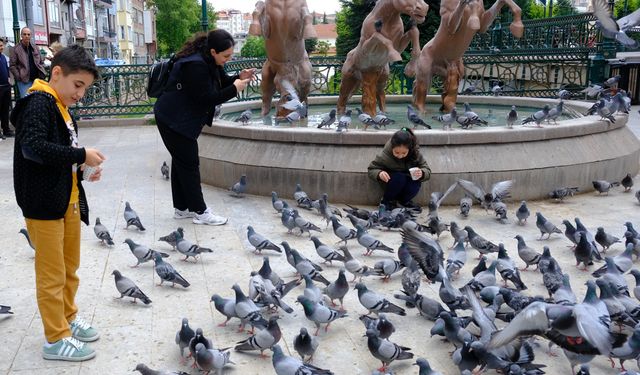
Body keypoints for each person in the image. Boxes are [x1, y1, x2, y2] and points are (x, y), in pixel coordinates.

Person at [12, 45, 105, 362]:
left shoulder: (59, 106)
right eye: (77, 85)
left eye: (85, 88)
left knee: (69, 268)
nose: (80, 94)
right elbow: (35, 147)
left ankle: (67, 317)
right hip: (44, 204)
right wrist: (80, 155)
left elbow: (57, 152)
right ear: (56, 73)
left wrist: (81, 170)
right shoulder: (38, 103)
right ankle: (55, 338)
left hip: (66, 199)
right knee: (52, 275)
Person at [154, 29, 254, 225]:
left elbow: (218, 83)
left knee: (182, 163)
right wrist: (235, 89)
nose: (228, 59)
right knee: (190, 165)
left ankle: (182, 209)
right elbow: (205, 99)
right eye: (226, 56)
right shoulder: (196, 65)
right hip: (173, 120)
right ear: (213, 51)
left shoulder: (208, 60)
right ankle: (201, 212)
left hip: (175, 117)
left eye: (230, 55)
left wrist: (237, 77)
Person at [367, 127, 431, 211]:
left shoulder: (416, 154)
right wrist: (379, 174)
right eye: (397, 152)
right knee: (399, 177)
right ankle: (386, 202)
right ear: (392, 147)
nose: (400, 156)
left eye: (404, 153)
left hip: (407, 183)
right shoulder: (384, 156)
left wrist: (422, 173)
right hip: (392, 183)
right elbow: (372, 169)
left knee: (415, 181)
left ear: (409, 149)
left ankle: (403, 202)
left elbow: (426, 169)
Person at [9, 27, 46, 98]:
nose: (27, 36)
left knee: (37, 101)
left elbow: (41, 62)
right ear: (21, 35)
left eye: (28, 34)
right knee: (26, 102)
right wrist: (19, 76)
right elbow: (12, 65)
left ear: (31, 35)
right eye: (24, 34)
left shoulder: (35, 48)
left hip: (37, 79)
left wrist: (42, 70)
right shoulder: (15, 49)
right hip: (24, 81)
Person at [0, 38, 11, 139]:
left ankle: (6, 129)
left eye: (2, 45)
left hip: (6, 86)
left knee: (5, 110)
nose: (1, 47)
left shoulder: (3, 57)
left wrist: (8, 80)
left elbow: (7, 70)